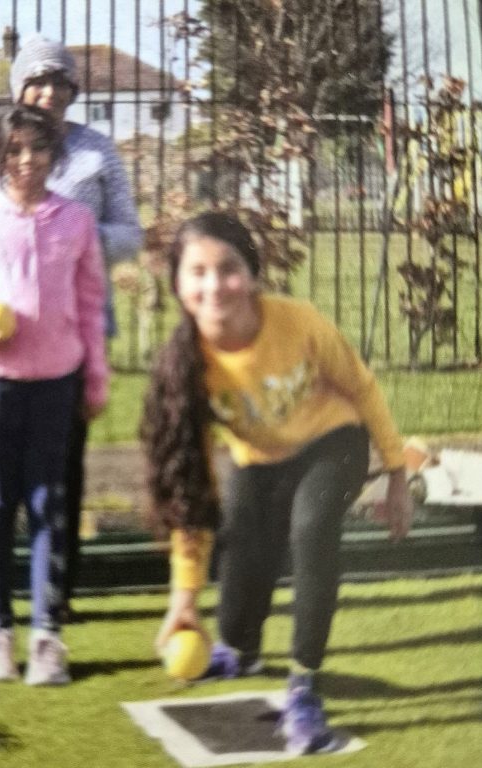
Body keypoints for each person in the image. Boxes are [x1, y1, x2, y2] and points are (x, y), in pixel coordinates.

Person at [140, 212, 413, 754]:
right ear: (177, 285)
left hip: (335, 442)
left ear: (253, 275)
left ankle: (304, 684)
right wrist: (183, 601)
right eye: (197, 272)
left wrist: (397, 472)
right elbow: (190, 491)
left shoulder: (298, 322)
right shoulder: (186, 367)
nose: (214, 285)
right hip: (262, 458)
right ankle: (240, 650)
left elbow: (362, 388)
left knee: (310, 528)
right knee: (239, 534)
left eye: (228, 268)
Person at [0, 35, 142, 631]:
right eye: (36, 80)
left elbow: (131, 232)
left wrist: (68, 237)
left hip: (70, 333)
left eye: (59, 82)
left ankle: (56, 591)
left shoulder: (97, 152)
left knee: (62, 470)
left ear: (73, 90)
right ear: (18, 88)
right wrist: (4, 235)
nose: (47, 92)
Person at [0, 104, 108, 684]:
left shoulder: (76, 221)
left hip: (57, 381)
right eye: (15, 150)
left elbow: (91, 305)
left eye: (38, 148)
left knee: (46, 503)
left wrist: (95, 376)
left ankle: (47, 639)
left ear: (54, 154)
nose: (27, 160)